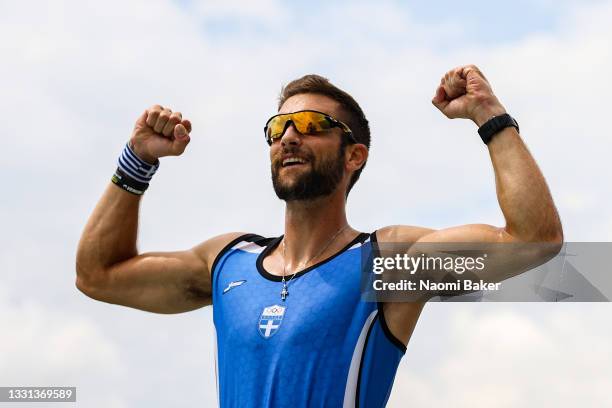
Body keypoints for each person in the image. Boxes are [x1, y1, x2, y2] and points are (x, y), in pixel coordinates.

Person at [76, 65, 563, 407]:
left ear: (354, 156)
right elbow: (98, 275)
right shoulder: (228, 261)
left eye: (311, 126)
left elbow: (534, 240)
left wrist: (488, 114)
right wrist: (138, 160)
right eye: (279, 127)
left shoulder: (388, 262)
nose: (289, 136)